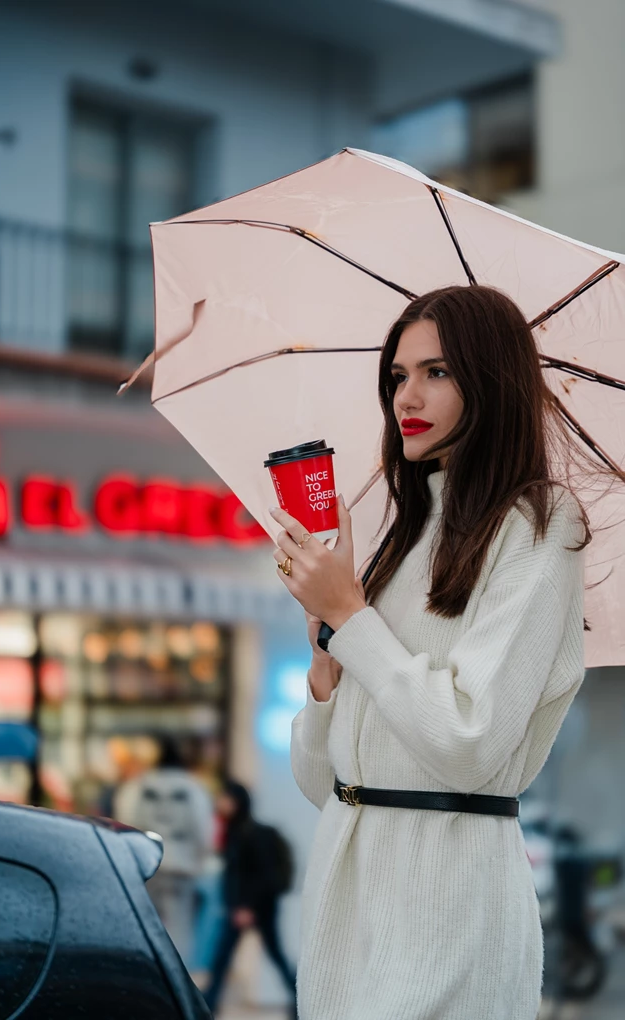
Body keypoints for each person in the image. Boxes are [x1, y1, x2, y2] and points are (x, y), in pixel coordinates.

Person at [269, 286, 602, 1020]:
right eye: (398, 376)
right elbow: (322, 780)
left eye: (437, 373)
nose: (406, 397)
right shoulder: (402, 536)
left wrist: (352, 617)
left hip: (449, 908)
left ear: (490, 379)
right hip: (345, 915)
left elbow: (467, 740)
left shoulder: (538, 526)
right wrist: (326, 663)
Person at [114, 734, 214, 967]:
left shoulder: (139, 786)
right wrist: (199, 859)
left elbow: (125, 820)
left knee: (144, 924)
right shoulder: (193, 787)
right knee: (179, 927)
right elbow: (203, 828)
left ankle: (148, 973)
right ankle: (178, 978)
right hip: (181, 867)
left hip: (147, 864)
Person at [203, 779, 297, 1017]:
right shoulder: (234, 831)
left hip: (254, 908)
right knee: (223, 958)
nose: (220, 803)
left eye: (224, 797)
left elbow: (260, 874)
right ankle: (206, 1005)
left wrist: (247, 907)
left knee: (272, 956)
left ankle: (301, 1001)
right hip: (242, 907)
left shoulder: (251, 834)